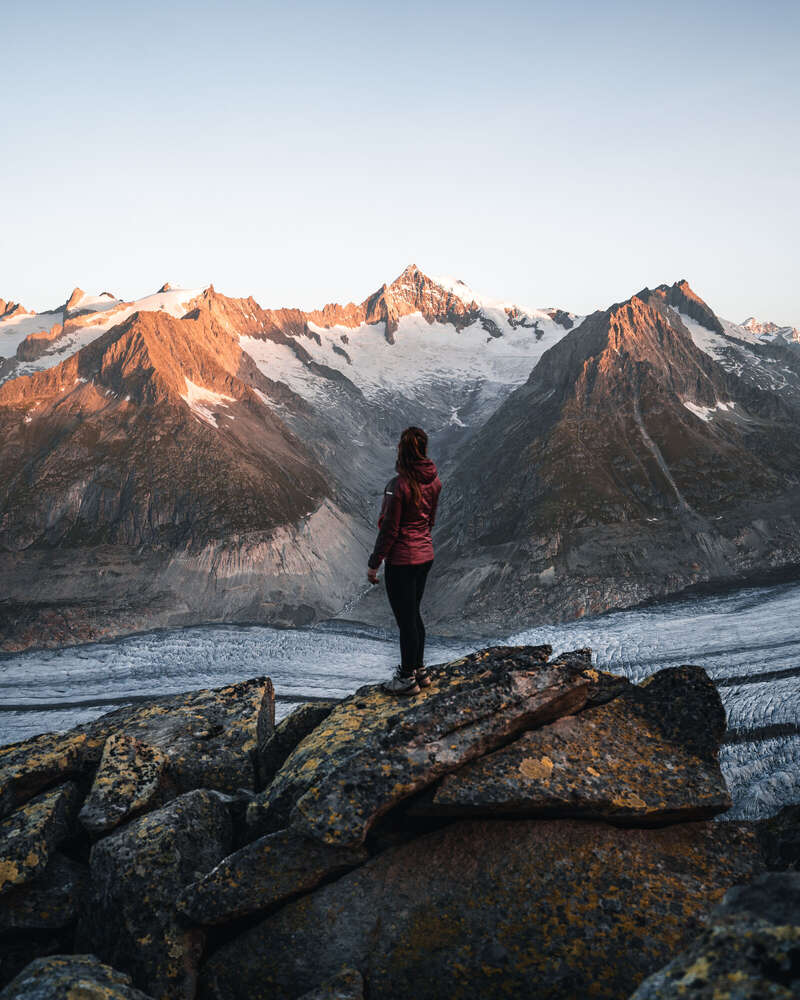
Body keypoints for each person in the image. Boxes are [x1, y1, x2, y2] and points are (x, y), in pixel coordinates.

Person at [367, 426, 442, 695]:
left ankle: (406, 678)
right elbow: (430, 520)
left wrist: (375, 562)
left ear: (402, 450)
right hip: (425, 555)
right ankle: (420, 670)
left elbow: (389, 530)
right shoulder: (434, 481)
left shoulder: (398, 487)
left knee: (405, 619)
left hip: (402, 560)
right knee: (414, 615)